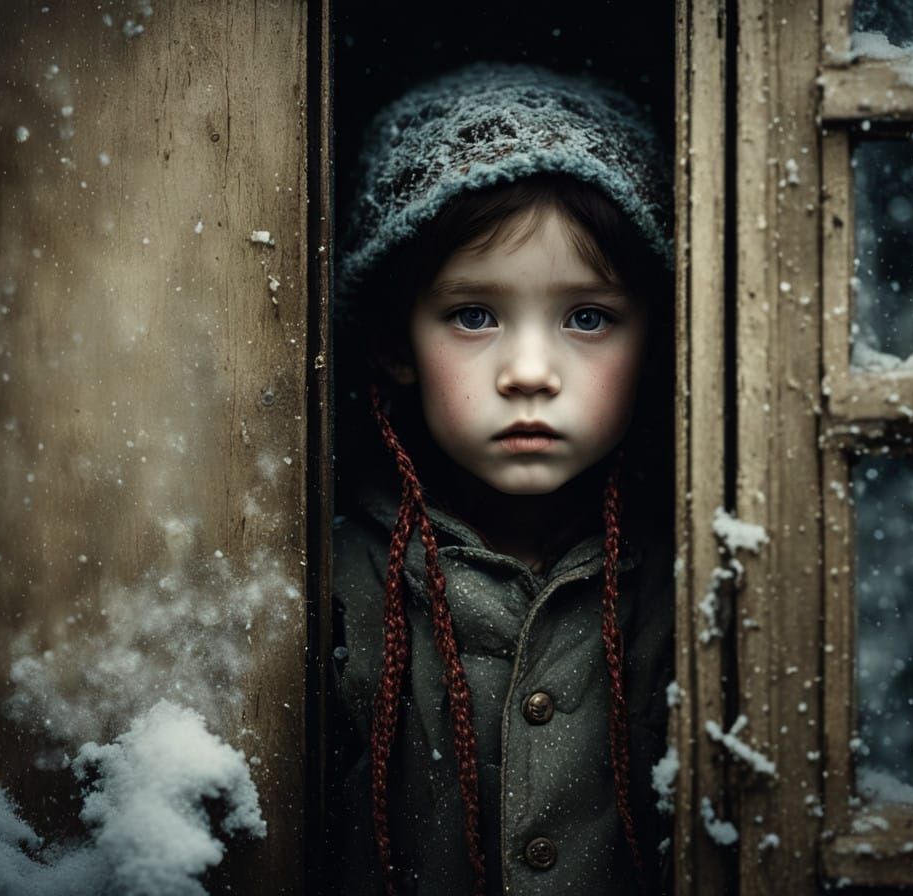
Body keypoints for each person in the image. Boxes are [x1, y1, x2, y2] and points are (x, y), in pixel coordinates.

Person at [330, 63, 674, 896]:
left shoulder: (689, 587)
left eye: (587, 318)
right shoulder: (331, 586)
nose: (528, 372)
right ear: (391, 343)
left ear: (657, 340)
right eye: (473, 315)